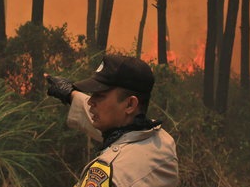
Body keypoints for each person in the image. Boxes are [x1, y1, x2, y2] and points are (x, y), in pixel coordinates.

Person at [45, 54, 178, 187]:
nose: (91, 101)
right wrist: (70, 94)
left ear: (130, 105)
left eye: (99, 95)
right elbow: (120, 132)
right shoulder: (161, 141)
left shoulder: (109, 173)